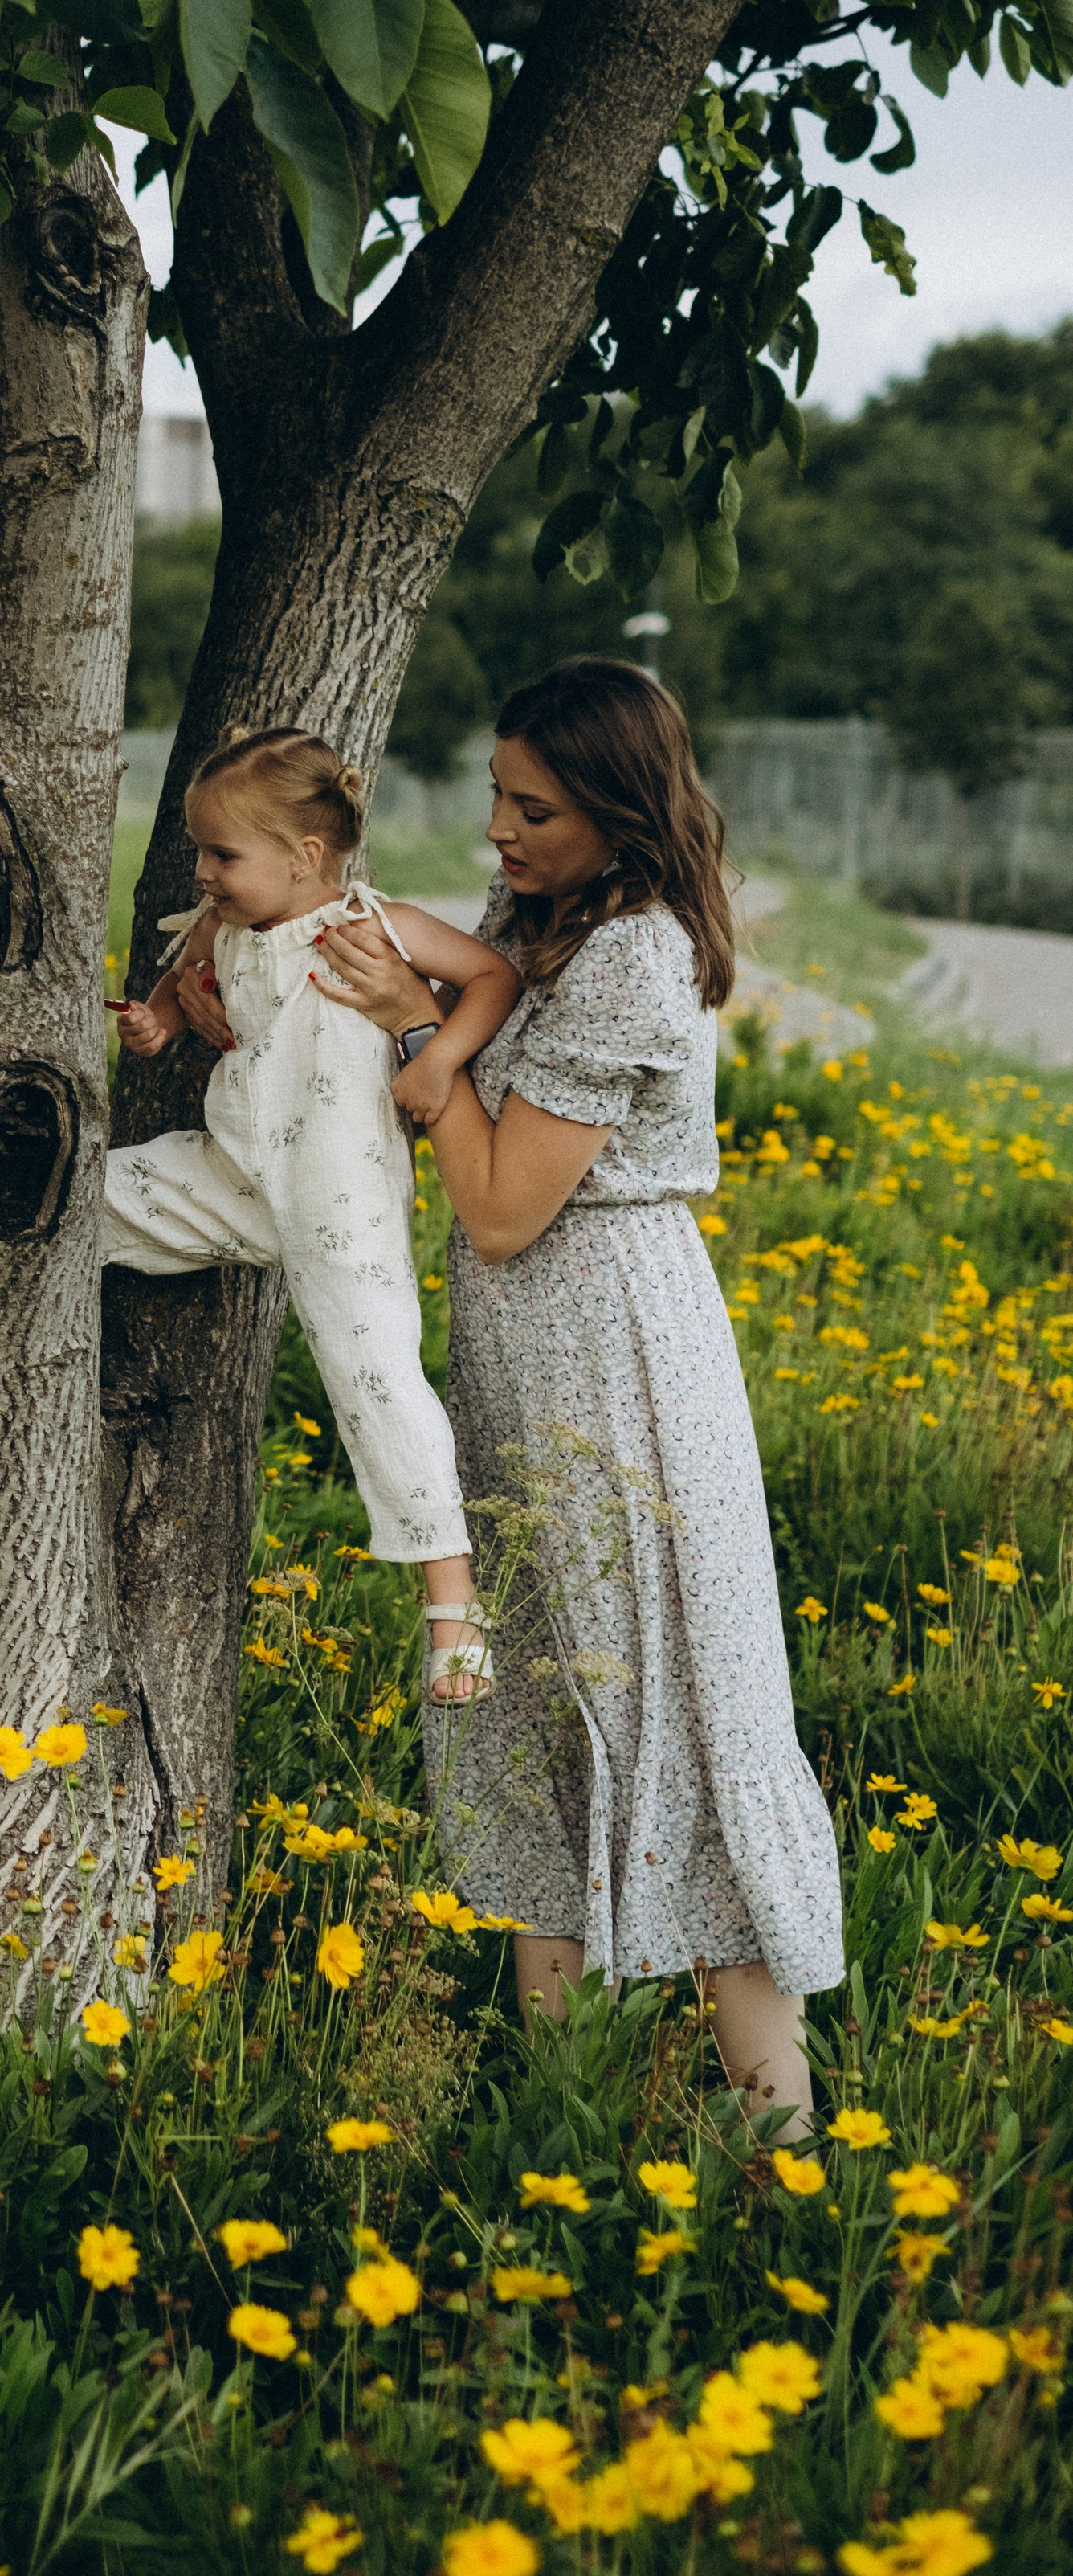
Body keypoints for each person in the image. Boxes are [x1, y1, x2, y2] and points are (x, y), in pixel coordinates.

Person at [308, 657, 842, 2141]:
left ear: (619, 812)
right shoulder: (543, 924)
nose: (499, 830)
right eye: (494, 793)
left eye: (533, 807)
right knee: (540, 1712)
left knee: (677, 1708)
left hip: (618, 1356)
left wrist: (418, 1032)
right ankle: (567, 2126)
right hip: (522, 1366)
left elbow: (493, 1207)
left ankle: (778, 2145)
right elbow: (438, 1050)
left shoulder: (637, 955)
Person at [105, 726, 522, 1661]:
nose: (204, 873)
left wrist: (438, 1054)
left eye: (223, 854)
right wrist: (153, 1025)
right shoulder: (226, 924)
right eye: (200, 851)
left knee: (375, 1378)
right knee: (84, 1197)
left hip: (341, 1207)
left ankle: (451, 1602)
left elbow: (495, 975)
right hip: (233, 1173)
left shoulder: (375, 928)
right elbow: (176, 989)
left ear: (304, 858)